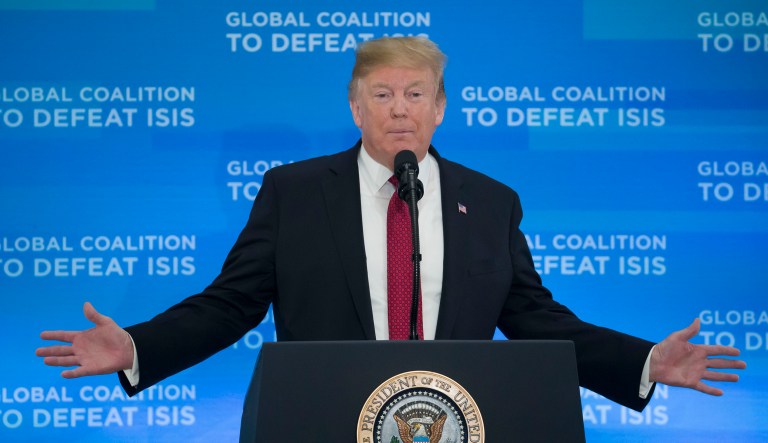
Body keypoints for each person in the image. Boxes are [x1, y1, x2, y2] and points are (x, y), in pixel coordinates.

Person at [37, 37, 745, 413]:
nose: (399, 108)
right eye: (381, 93)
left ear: (440, 108)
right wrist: (136, 346)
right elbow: (232, 303)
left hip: (458, 422)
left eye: (415, 93)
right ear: (355, 107)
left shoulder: (491, 201)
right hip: (320, 421)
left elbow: (533, 318)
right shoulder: (293, 191)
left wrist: (644, 361)